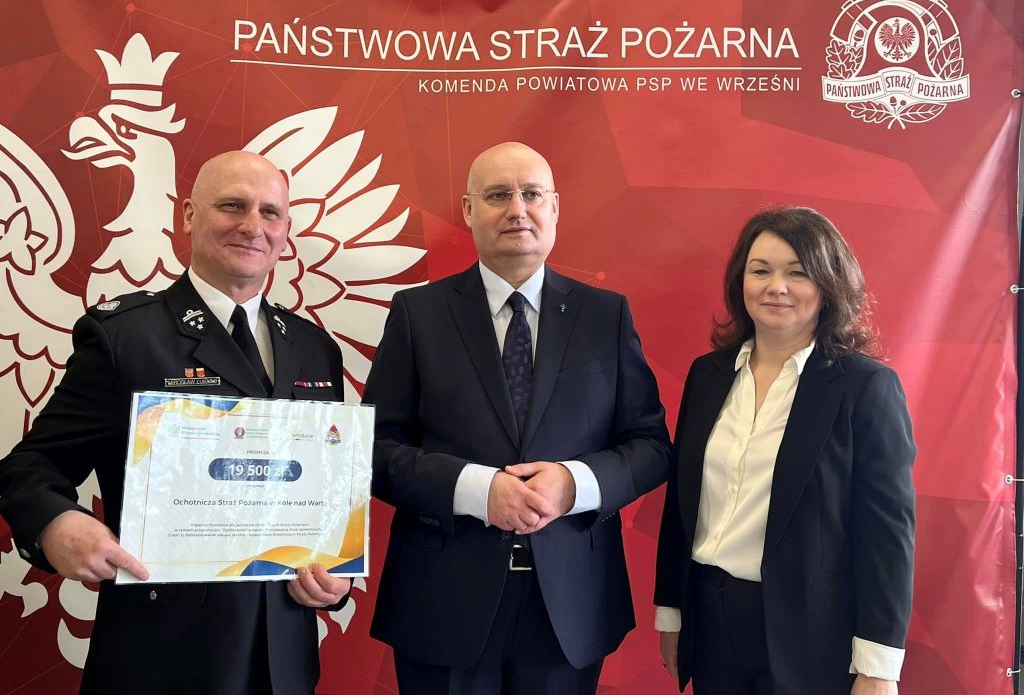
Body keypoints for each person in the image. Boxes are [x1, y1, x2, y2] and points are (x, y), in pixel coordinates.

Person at [0, 151, 351, 695]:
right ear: (187, 215)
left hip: (283, 657)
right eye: (231, 205)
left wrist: (335, 575)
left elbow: (325, 490)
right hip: (163, 655)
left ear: (285, 230)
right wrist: (56, 524)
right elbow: (31, 466)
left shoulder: (314, 347)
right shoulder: (124, 337)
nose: (252, 226)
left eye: (270, 213)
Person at [364, 142, 670, 694]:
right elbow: (373, 451)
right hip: (442, 603)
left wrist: (574, 483)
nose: (517, 210)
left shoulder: (606, 316)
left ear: (555, 207)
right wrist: (477, 491)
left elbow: (649, 446)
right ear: (468, 210)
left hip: (570, 605)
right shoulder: (418, 314)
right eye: (498, 195)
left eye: (532, 194)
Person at [654, 206, 916, 695]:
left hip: (811, 634)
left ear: (829, 285)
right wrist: (671, 611)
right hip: (710, 620)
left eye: (798, 273)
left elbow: (887, 531)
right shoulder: (708, 375)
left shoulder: (865, 387)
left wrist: (879, 665)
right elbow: (681, 503)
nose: (776, 286)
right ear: (740, 281)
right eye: (761, 271)